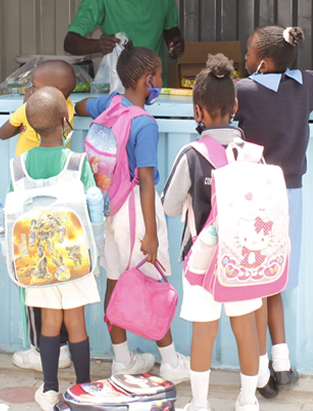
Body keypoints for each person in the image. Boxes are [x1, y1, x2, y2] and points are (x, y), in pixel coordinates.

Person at [75, 45, 189, 381]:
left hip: (106, 208)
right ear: (145, 80)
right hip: (137, 211)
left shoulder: (109, 104)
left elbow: (78, 106)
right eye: (158, 75)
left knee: (116, 279)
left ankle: (122, 360)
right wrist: (151, 233)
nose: (160, 80)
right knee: (149, 280)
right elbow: (146, 180)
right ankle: (169, 361)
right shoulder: (144, 124)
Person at [234, 26, 313, 398]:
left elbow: (213, 105)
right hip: (291, 194)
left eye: (247, 54)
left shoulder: (245, 91)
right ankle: (283, 363)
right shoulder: (304, 84)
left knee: (256, 282)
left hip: (256, 196)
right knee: (273, 281)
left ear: (262, 63)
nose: (243, 59)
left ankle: (260, 372)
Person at [162, 53, 261, 411]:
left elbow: (170, 207)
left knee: (204, 331)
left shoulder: (191, 154)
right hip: (243, 257)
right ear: (234, 106)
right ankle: (248, 401)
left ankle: (200, 404)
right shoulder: (253, 155)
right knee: (245, 329)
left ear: (197, 111)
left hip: (202, 262)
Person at [18, 86, 101, 411]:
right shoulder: (77, 163)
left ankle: (50, 389)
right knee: (76, 321)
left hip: (38, 262)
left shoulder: (19, 166)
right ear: (66, 120)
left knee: (50, 322)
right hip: (75, 259)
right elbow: (95, 209)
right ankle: (83, 388)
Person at [0, 59, 76, 372]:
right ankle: (64, 348)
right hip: (59, 203)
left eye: (32, 85)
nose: (27, 88)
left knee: (32, 273)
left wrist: (23, 110)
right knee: (59, 272)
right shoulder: (66, 109)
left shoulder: (32, 109)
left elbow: (4, 132)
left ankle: (38, 348)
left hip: (25, 198)